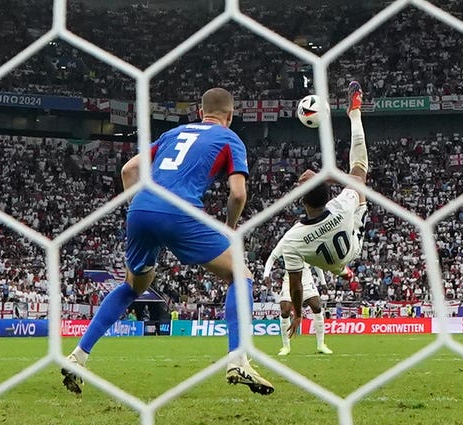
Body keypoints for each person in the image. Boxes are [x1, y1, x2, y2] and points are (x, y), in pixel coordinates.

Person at [62, 87, 274, 395]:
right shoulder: (230, 139)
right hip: (179, 211)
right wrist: (230, 227)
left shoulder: (174, 133)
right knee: (241, 275)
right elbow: (238, 193)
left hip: (141, 209)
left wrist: (142, 209)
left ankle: (77, 356)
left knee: (134, 286)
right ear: (229, 116)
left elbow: (129, 169)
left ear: (201, 113)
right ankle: (238, 359)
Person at [282, 81, 369, 338]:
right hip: (352, 241)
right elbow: (357, 180)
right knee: (358, 168)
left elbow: (296, 286)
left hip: (329, 254)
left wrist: (298, 313)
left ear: (301, 201)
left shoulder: (292, 239)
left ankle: (342, 270)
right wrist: (325, 175)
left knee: (328, 262)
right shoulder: (341, 206)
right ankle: (355, 114)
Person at [263, 245, 332, 355]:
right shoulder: (287, 241)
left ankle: (321, 344)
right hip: (290, 278)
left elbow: (317, 263)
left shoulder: (309, 241)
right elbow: (272, 257)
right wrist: (266, 275)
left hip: (306, 278)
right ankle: (286, 347)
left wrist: (323, 282)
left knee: (317, 307)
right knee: (285, 311)